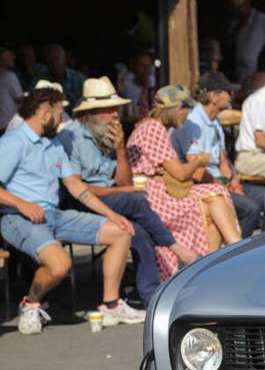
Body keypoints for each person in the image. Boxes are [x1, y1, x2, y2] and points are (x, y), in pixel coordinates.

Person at [0, 88, 144, 333]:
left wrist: (112, 215)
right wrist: (21, 204)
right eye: (60, 113)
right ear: (46, 114)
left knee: (121, 231)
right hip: (18, 218)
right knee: (59, 264)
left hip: (54, 215)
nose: (63, 119)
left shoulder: (54, 143)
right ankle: (31, 303)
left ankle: (111, 305)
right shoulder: (14, 142)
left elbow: (76, 186)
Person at [58, 76, 199, 305]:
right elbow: (77, 188)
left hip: (111, 195)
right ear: (92, 112)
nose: (115, 114)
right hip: (83, 200)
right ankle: (175, 247)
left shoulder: (107, 132)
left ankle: (151, 298)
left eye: (116, 108)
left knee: (139, 233)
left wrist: (121, 149)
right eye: (109, 109)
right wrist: (122, 191)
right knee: (135, 200)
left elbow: (122, 180)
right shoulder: (70, 136)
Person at [127, 85, 241, 280]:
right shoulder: (154, 128)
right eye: (185, 110)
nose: (186, 116)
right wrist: (199, 160)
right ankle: (236, 253)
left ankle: (213, 267)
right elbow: (180, 174)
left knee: (215, 197)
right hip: (153, 197)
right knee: (214, 196)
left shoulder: (151, 126)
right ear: (178, 109)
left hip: (156, 190)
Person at [171, 72, 265, 238]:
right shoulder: (192, 123)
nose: (232, 96)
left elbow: (223, 158)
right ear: (213, 96)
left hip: (220, 182)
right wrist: (223, 186)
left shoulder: (214, 120)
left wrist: (233, 182)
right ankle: (234, 256)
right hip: (203, 186)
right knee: (249, 209)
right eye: (228, 92)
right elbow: (196, 170)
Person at [118, 51, 155, 119]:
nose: (145, 69)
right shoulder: (125, 82)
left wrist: (147, 86)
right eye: (142, 65)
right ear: (134, 66)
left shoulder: (157, 81)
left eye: (148, 66)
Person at [0, 46, 24, 130]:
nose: (14, 57)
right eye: (9, 55)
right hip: (9, 125)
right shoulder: (9, 76)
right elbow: (20, 100)